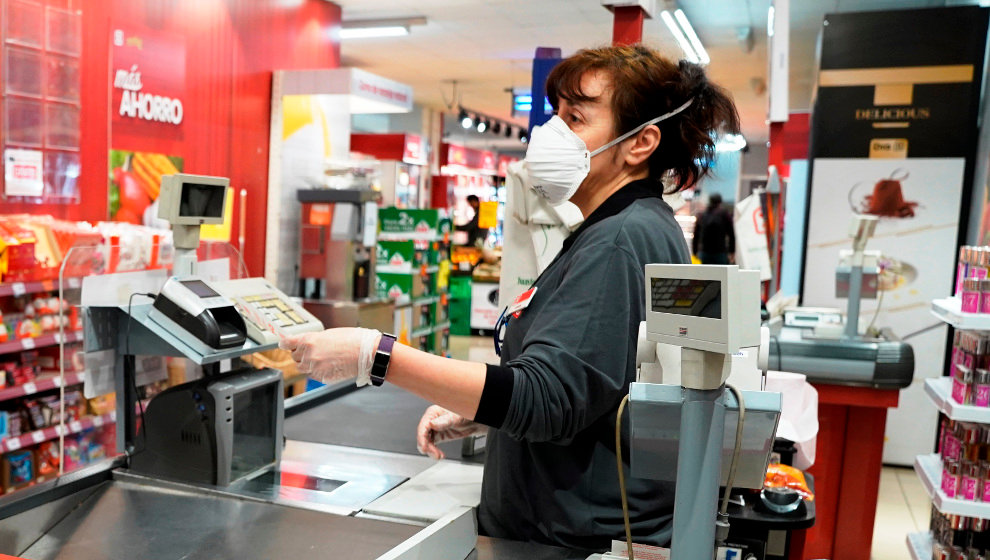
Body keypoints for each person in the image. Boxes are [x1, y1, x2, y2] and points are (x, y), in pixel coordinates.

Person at [281, 44, 739, 551]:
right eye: (555, 116)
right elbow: (596, 384)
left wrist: (375, 354)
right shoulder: (633, 228)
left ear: (640, 143)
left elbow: (547, 398)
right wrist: (484, 409)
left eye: (576, 118)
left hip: (567, 539)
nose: (551, 134)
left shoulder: (618, 240)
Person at [692, 192, 735, 264]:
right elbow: (731, 234)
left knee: (705, 274)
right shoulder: (724, 215)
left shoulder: (702, 215)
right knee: (721, 274)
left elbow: (696, 236)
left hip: (704, 253)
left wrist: (695, 252)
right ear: (720, 202)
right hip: (720, 252)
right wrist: (732, 251)